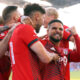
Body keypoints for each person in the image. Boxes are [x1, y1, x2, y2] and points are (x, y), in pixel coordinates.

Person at [9, 4, 60, 80]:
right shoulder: (26, 28)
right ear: (37, 16)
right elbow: (45, 58)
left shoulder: (19, 29)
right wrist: (52, 56)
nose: (43, 22)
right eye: (43, 18)